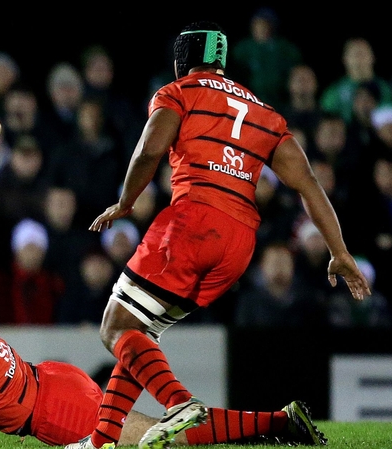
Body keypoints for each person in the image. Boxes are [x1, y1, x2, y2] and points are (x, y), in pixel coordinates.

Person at [68, 21, 371, 449]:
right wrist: (339, 251)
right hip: (238, 244)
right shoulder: (264, 113)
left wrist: (126, 202)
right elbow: (308, 184)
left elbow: (150, 149)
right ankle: (101, 441)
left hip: (193, 222)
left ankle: (178, 402)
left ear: (183, 58)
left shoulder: (178, 92)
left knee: (114, 328)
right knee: (139, 336)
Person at [0, 285, 327, 447]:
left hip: (55, 413)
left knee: (168, 438)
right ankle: (278, 424)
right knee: (155, 431)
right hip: (53, 378)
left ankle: (281, 424)